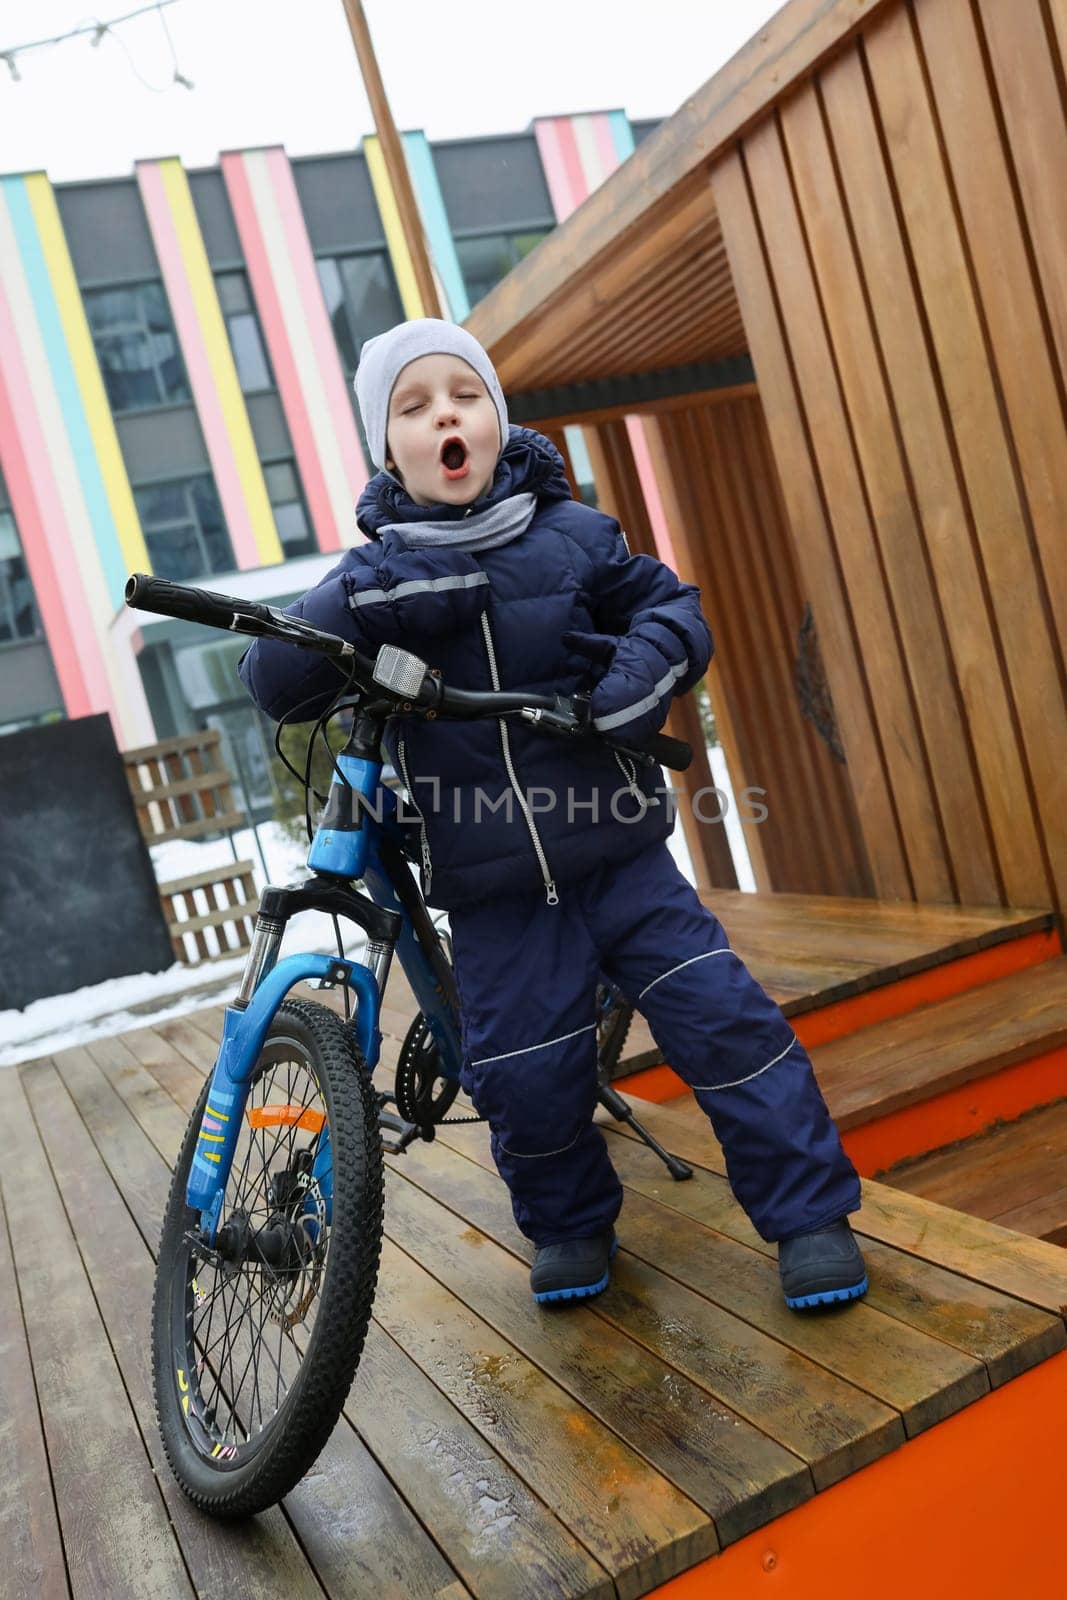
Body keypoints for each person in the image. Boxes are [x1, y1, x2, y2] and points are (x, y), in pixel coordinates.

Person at [239, 318, 867, 1310]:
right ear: (385, 445)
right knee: (524, 1084)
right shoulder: (375, 572)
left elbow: (673, 611)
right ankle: (570, 1225)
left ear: (493, 417)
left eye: (463, 395)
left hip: (622, 864)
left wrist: (632, 674)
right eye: (412, 406)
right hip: (495, 895)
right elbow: (275, 680)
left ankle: (808, 1218)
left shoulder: (572, 536)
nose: (442, 414)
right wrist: (360, 603)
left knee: (729, 1031)